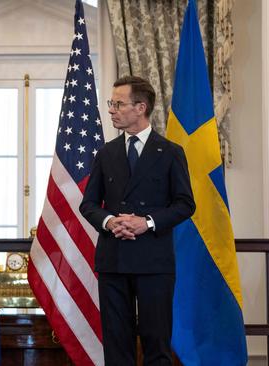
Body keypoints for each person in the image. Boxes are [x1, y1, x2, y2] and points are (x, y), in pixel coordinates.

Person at [80, 76, 195, 365]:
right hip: (113, 260)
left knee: (157, 344)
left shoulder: (170, 152)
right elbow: (89, 204)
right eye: (112, 103)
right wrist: (108, 221)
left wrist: (147, 222)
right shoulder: (106, 153)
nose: (112, 110)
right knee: (117, 346)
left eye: (118, 104)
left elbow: (185, 204)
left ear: (141, 107)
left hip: (153, 262)